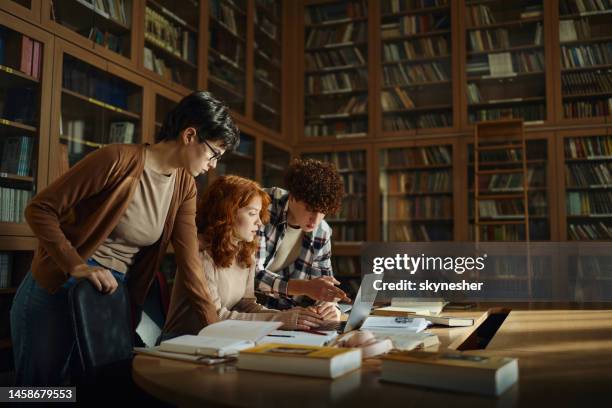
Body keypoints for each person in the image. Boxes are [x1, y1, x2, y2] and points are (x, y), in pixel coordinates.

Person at [10, 91, 239, 385]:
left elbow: (189, 260)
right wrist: (76, 265)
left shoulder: (185, 186)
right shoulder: (117, 159)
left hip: (108, 296)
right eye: (214, 153)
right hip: (60, 284)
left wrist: (214, 327)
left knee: (84, 391)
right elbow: (40, 209)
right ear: (190, 135)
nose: (213, 164)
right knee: (35, 392)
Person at [162, 176, 324, 338]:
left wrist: (290, 316)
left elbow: (245, 304)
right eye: (252, 213)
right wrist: (281, 319)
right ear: (228, 213)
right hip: (183, 341)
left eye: (259, 214)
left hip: (219, 339)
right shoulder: (200, 253)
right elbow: (215, 317)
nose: (260, 223)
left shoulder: (245, 252)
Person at [256, 158, 350, 320]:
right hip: (249, 311)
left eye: (323, 212)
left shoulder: (322, 231)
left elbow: (323, 283)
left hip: (288, 314)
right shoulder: (261, 207)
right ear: (292, 196)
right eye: (310, 209)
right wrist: (304, 287)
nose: (316, 220)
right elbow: (251, 276)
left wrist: (329, 306)